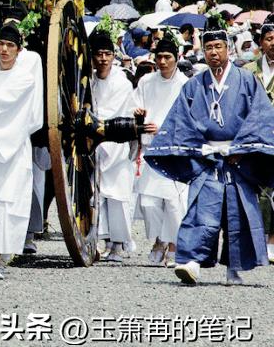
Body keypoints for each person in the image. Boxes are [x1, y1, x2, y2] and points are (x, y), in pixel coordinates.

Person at [146, 19, 274, 285]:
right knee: (200, 211)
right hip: (206, 157)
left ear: (228, 49)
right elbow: (181, 119)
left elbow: (260, 117)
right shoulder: (194, 85)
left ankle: (234, 270)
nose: (213, 52)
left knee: (236, 214)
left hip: (238, 157)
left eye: (218, 47)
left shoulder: (247, 80)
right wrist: (198, 147)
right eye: (209, 48)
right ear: (203, 51)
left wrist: (242, 148)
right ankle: (191, 262)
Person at [0, 22, 43, 280]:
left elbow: (1, 103)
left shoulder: (24, 78)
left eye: (10, 45)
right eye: (1, 44)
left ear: (18, 49)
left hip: (12, 144)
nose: (4, 50)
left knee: (5, 202)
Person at [134, 36, 189, 266]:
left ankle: (174, 245)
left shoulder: (185, 83)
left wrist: (163, 129)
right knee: (149, 202)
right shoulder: (146, 81)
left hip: (174, 149)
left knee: (174, 202)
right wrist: (137, 114)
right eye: (160, 57)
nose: (163, 62)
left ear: (177, 58)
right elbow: (134, 103)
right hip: (150, 148)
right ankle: (159, 240)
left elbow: (189, 117)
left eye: (168, 57)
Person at [88, 31, 139, 262]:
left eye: (108, 54)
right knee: (97, 196)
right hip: (93, 143)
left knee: (118, 195)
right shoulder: (88, 81)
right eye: (99, 54)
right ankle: (104, 240)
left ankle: (118, 244)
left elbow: (125, 111)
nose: (103, 59)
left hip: (117, 142)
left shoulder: (122, 82)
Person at [241, 22, 274, 262]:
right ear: (261, 42)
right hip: (255, 135)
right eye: (270, 38)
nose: (273, 43)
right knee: (259, 188)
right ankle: (260, 239)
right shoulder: (248, 70)